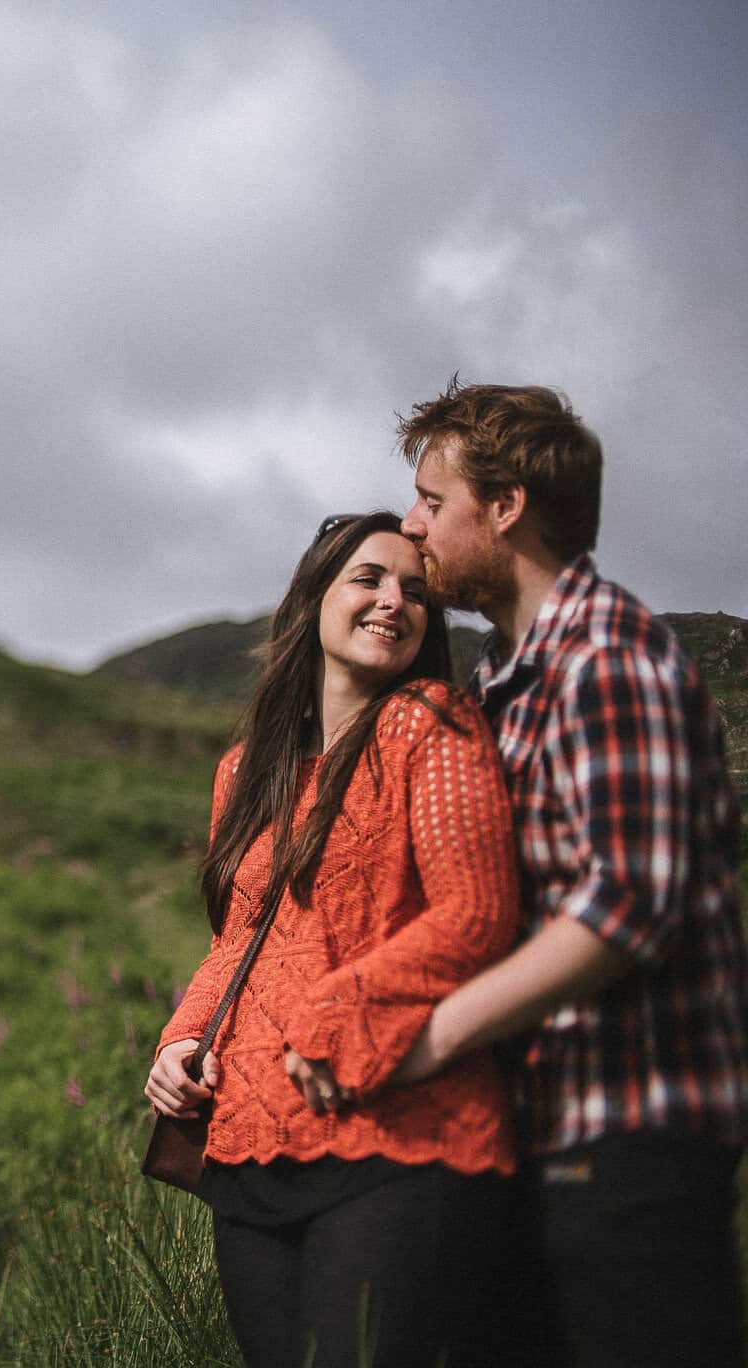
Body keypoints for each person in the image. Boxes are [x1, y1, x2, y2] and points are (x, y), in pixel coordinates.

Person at [370, 380, 748, 1366]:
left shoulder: (606, 659)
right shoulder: (496, 686)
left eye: (429, 500)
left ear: (504, 508)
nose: (411, 526)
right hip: (527, 1144)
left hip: (625, 1139)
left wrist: (435, 1033)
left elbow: (628, 902)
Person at [145, 510, 522, 1368]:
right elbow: (241, 937)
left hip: (397, 1132)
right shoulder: (246, 770)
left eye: (417, 592)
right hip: (249, 1144)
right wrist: (181, 1040)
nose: (396, 601)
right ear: (315, 597)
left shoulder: (431, 723)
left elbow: (478, 915)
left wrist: (339, 1005)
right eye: (371, 578)